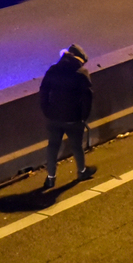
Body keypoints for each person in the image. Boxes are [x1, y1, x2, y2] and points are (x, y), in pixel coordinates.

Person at [39, 43, 95, 189]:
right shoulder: (81, 73)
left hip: (53, 117)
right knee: (76, 146)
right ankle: (82, 172)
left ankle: (50, 178)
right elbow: (87, 98)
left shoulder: (53, 70)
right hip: (73, 118)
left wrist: (47, 110)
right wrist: (83, 117)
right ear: (80, 59)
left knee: (53, 147)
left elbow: (43, 91)